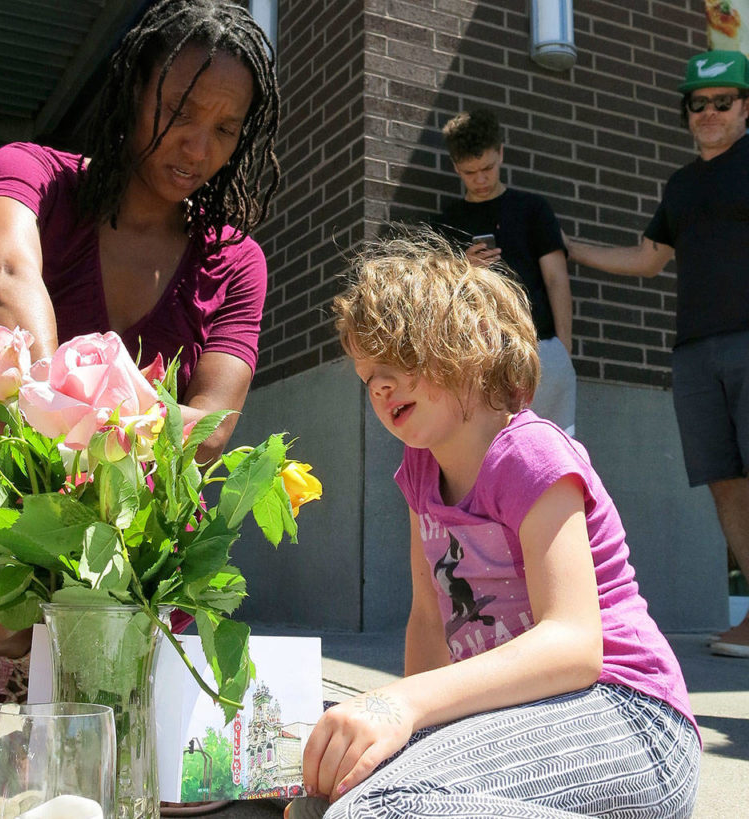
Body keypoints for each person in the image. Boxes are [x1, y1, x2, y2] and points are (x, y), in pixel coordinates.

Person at [0, 0, 281, 671]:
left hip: (134, 533)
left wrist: (95, 458)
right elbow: (3, 276)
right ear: (131, 90)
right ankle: (15, 664)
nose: (199, 148)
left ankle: (61, 670)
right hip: (9, 495)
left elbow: (212, 426)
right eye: (179, 112)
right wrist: (58, 422)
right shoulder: (32, 174)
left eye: (226, 127)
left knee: (105, 615)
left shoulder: (236, 262)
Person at [287, 230, 699, 818]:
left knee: (379, 810)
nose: (378, 385)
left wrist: (404, 702)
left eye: (398, 358)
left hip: (630, 721)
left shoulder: (529, 453)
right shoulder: (419, 474)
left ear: (467, 342)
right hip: (528, 724)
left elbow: (575, 645)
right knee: (337, 797)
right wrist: (402, 735)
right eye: (366, 375)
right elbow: (429, 620)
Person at [565, 49, 749, 659]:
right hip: (695, 352)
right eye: (699, 105)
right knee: (725, 482)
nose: (710, 113)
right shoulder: (681, 185)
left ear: (745, 106)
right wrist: (569, 247)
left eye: (723, 102)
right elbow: (647, 259)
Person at [437, 109, 576, 435]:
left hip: (540, 348)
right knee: (486, 459)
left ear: (501, 152)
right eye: (470, 172)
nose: (481, 179)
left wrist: (563, 349)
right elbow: (434, 297)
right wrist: (462, 269)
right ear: (456, 167)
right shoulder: (446, 223)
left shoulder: (532, 209)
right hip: (475, 359)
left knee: (551, 453)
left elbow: (557, 279)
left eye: (488, 167)